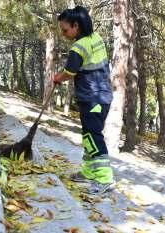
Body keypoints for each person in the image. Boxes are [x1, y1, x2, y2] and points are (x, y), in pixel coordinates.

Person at [53, 6, 114, 194]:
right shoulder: (95, 39)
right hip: (102, 97)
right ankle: (88, 172)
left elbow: (69, 72)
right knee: (89, 136)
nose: (63, 34)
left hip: (92, 99)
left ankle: (104, 178)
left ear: (76, 25)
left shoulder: (78, 47)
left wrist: (57, 78)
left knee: (94, 137)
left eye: (65, 30)